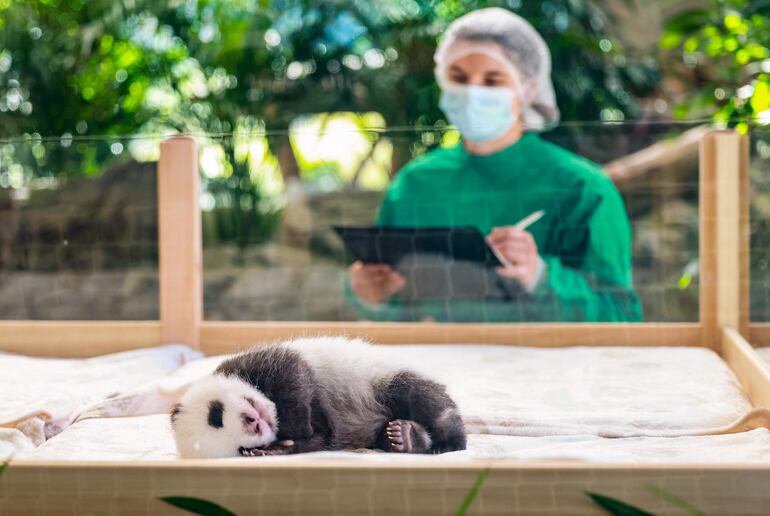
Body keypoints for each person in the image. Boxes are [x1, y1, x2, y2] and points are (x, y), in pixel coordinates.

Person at [344, 8, 642, 323]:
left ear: (526, 89)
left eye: (492, 79)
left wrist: (540, 277)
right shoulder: (415, 184)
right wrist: (368, 294)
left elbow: (621, 318)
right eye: (458, 77)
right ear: (442, 81)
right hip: (436, 364)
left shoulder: (582, 188)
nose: (473, 91)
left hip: (546, 369)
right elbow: (399, 312)